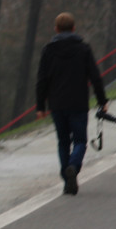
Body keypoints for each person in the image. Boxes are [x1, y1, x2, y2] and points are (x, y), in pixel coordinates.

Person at [36, 12, 108, 195]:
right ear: (74, 28)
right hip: (78, 103)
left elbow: (42, 80)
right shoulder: (83, 49)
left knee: (63, 142)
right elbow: (95, 76)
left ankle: (66, 176)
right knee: (80, 141)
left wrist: (40, 106)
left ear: (56, 29)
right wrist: (102, 101)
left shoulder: (48, 50)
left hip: (57, 104)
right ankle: (73, 168)